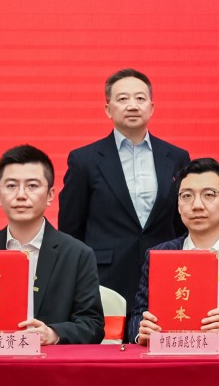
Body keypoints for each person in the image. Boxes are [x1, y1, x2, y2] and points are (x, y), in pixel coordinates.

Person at [0, 145, 104, 348]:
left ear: (50, 195)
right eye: (11, 185)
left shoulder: (77, 254)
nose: (21, 195)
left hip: (49, 363)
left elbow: (92, 325)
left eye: (32, 186)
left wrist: (53, 334)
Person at [58, 68, 190, 319]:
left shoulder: (176, 157)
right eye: (122, 99)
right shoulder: (84, 160)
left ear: (151, 107)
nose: (132, 105)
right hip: (104, 278)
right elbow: (71, 229)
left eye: (140, 98)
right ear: (108, 109)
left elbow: (183, 223)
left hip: (164, 274)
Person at [129, 158, 219, 345]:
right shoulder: (158, 255)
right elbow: (137, 315)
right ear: (178, 205)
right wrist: (141, 332)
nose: (197, 205)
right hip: (171, 357)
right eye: (187, 196)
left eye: (208, 195)